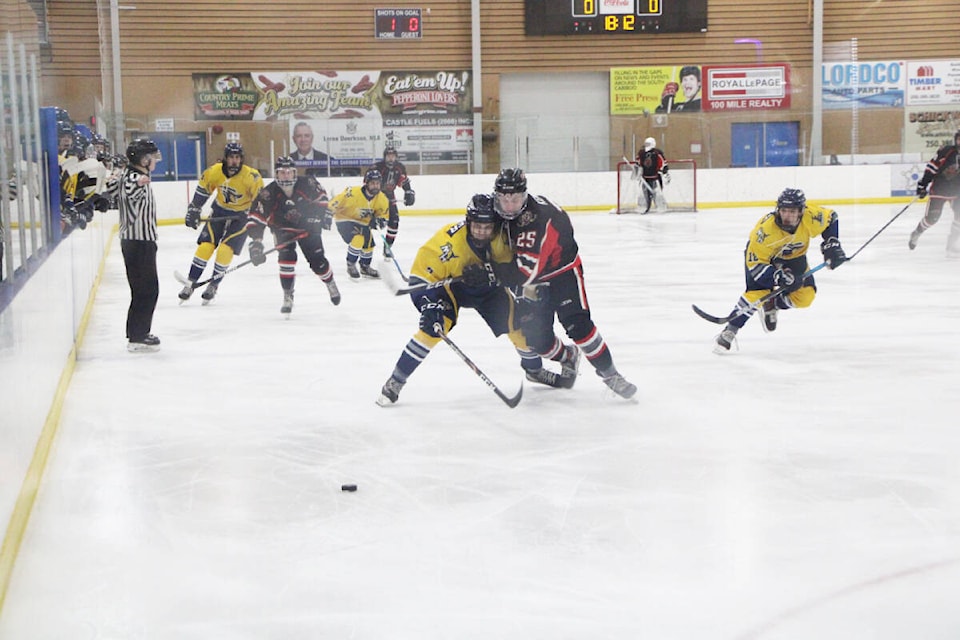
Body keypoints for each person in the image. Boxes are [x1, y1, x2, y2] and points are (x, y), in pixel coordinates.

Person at [376, 193, 574, 406]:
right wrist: (428, 305)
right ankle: (395, 381)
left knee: (518, 326)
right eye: (477, 225)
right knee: (432, 328)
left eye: (487, 226)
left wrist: (525, 293)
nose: (482, 231)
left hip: (488, 289)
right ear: (468, 222)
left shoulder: (504, 239)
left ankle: (534, 370)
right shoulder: (448, 243)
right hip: (448, 288)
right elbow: (420, 279)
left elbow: (516, 272)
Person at [491, 168, 637, 400]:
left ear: (525, 196)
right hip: (533, 276)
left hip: (562, 273)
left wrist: (487, 273)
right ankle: (568, 356)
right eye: (504, 199)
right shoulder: (494, 209)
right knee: (538, 340)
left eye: (515, 199)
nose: (509, 205)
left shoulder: (538, 220)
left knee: (578, 326)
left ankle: (611, 375)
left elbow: (523, 273)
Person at [713, 188, 848, 354]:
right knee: (758, 293)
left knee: (806, 296)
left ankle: (773, 303)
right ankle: (731, 330)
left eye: (792, 211)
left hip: (794, 258)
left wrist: (832, 244)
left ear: (801, 211)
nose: (787, 216)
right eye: (784, 210)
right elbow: (755, 266)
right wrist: (778, 276)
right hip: (763, 260)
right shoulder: (764, 232)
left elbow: (831, 218)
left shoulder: (810, 216)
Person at [246, 156, 341, 314]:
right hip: (282, 229)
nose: (286, 175)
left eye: (289, 172)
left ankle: (330, 282)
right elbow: (257, 217)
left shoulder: (307, 183)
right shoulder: (268, 193)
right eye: (282, 172)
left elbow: (322, 199)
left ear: (295, 173)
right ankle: (288, 295)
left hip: (308, 228)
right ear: (276, 174)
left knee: (318, 262)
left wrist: (322, 216)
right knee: (286, 260)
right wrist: (256, 243)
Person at [178, 142, 264, 303]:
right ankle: (190, 283)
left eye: (237, 158)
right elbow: (203, 190)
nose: (234, 161)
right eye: (231, 157)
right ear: (225, 158)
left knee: (225, 251)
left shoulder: (252, 177)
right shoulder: (214, 171)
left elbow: (259, 206)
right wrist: (194, 209)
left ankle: (213, 285)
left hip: (241, 218)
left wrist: (257, 239)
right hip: (219, 212)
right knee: (205, 247)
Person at [118, 139, 162, 353]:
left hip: (140, 242)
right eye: (151, 156)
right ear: (143, 159)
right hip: (138, 243)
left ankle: (137, 332)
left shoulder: (137, 176)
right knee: (147, 290)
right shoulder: (133, 177)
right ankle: (138, 336)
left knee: (144, 290)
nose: (154, 160)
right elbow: (128, 189)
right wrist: (139, 183)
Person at [328, 168, 390, 279]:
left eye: (377, 183)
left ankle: (365, 267)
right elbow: (336, 200)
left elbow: (383, 215)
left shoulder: (382, 199)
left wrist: (380, 220)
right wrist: (329, 212)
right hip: (345, 219)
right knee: (358, 239)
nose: (375, 186)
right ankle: (351, 264)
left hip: (363, 223)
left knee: (369, 244)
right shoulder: (352, 193)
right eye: (372, 183)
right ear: (366, 183)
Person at [908, 129, 960, 255]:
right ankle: (917, 233)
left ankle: (951, 244)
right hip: (940, 189)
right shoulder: (947, 151)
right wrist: (923, 184)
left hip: (957, 191)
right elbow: (932, 167)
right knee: (933, 218)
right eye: (959, 138)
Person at [371, 147, 415, 257]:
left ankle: (388, 247)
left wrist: (408, 191)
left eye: (393, 156)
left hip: (390, 196)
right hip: (376, 197)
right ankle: (364, 249)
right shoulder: (377, 167)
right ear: (384, 157)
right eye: (388, 156)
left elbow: (403, 181)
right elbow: (367, 184)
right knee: (370, 223)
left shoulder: (399, 167)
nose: (391, 158)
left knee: (394, 221)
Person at [290, 121, 359, 178]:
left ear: (312, 138)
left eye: (307, 136)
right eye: (299, 136)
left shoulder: (327, 159)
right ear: (293, 139)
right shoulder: (288, 159)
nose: (303, 140)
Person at [635, 137, 670, 214]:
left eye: (648, 144)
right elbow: (638, 163)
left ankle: (660, 207)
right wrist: (638, 172)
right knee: (645, 194)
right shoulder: (641, 153)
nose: (647, 145)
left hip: (656, 177)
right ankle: (645, 207)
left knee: (657, 193)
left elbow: (663, 163)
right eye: (646, 144)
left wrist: (665, 173)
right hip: (645, 178)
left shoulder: (657, 153)